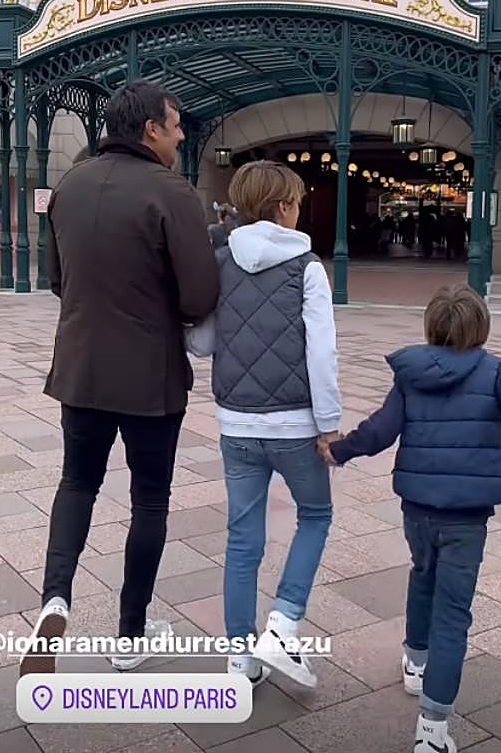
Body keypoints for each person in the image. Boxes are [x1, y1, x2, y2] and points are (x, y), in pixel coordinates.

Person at [20, 80, 220, 676]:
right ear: (150, 129)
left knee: (76, 484)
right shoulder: (172, 193)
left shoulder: (69, 186)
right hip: (150, 379)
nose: (182, 135)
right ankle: (130, 634)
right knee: (148, 502)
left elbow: (56, 279)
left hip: (81, 369)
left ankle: (55, 598)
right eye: (177, 124)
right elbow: (200, 294)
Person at [323, 284, 501, 753]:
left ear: (432, 327)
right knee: (453, 613)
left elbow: (380, 432)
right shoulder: (496, 374)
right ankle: (432, 729)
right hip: (467, 516)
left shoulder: (411, 374)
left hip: (418, 510)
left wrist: (339, 450)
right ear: (479, 327)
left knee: (423, 574)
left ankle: (414, 660)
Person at [185, 160, 340, 688]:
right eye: (296, 202)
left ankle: (239, 657)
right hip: (296, 422)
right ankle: (283, 622)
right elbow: (322, 353)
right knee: (315, 516)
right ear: (282, 208)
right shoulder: (308, 268)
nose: (299, 211)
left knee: (242, 540)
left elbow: (202, 343)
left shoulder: (221, 261)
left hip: (236, 422)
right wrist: (329, 423)